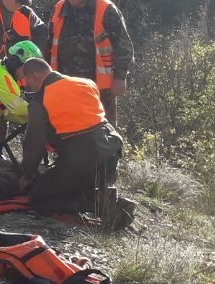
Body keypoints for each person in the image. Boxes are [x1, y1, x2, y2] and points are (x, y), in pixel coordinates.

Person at [17, 58, 130, 227]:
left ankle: (99, 204)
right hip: (112, 152)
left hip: (84, 156)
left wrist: (27, 175)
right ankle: (100, 194)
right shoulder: (86, 83)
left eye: (27, 81)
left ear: (33, 76)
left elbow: (34, 144)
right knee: (73, 181)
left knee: (39, 197)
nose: (28, 86)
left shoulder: (40, 102)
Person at [42, 0, 135, 126]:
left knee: (105, 128)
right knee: (68, 125)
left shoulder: (106, 9)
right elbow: (49, 42)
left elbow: (123, 45)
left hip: (100, 85)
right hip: (65, 81)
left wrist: (120, 77)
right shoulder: (59, 8)